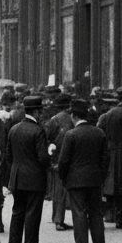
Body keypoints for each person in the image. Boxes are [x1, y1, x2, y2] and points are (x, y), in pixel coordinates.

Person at [58, 98, 110, 243]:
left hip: (75, 180)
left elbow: (63, 161)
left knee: (79, 212)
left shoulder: (71, 135)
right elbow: (105, 159)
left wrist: (64, 178)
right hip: (95, 179)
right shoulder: (99, 133)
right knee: (96, 213)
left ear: (73, 116)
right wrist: (101, 176)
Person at [6, 94, 51, 243]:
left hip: (17, 177)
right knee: (32, 213)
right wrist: (49, 160)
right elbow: (43, 158)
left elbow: (9, 156)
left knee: (17, 211)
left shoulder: (14, 129)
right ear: (37, 112)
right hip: (34, 178)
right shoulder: (38, 130)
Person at [96, 86, 122, 229]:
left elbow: (99, 134)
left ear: (117, 99)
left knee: (109, 186)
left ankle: (105, 216)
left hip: (111, 155)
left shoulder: (107, 115)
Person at [45, 93, 74, 232]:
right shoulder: (72, 119)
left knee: (58, 189)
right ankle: (60, 220)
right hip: (71, 158)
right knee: (67, 190)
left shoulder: (54, 120)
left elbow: (48, 138)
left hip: (57, 158)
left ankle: (56, 218)